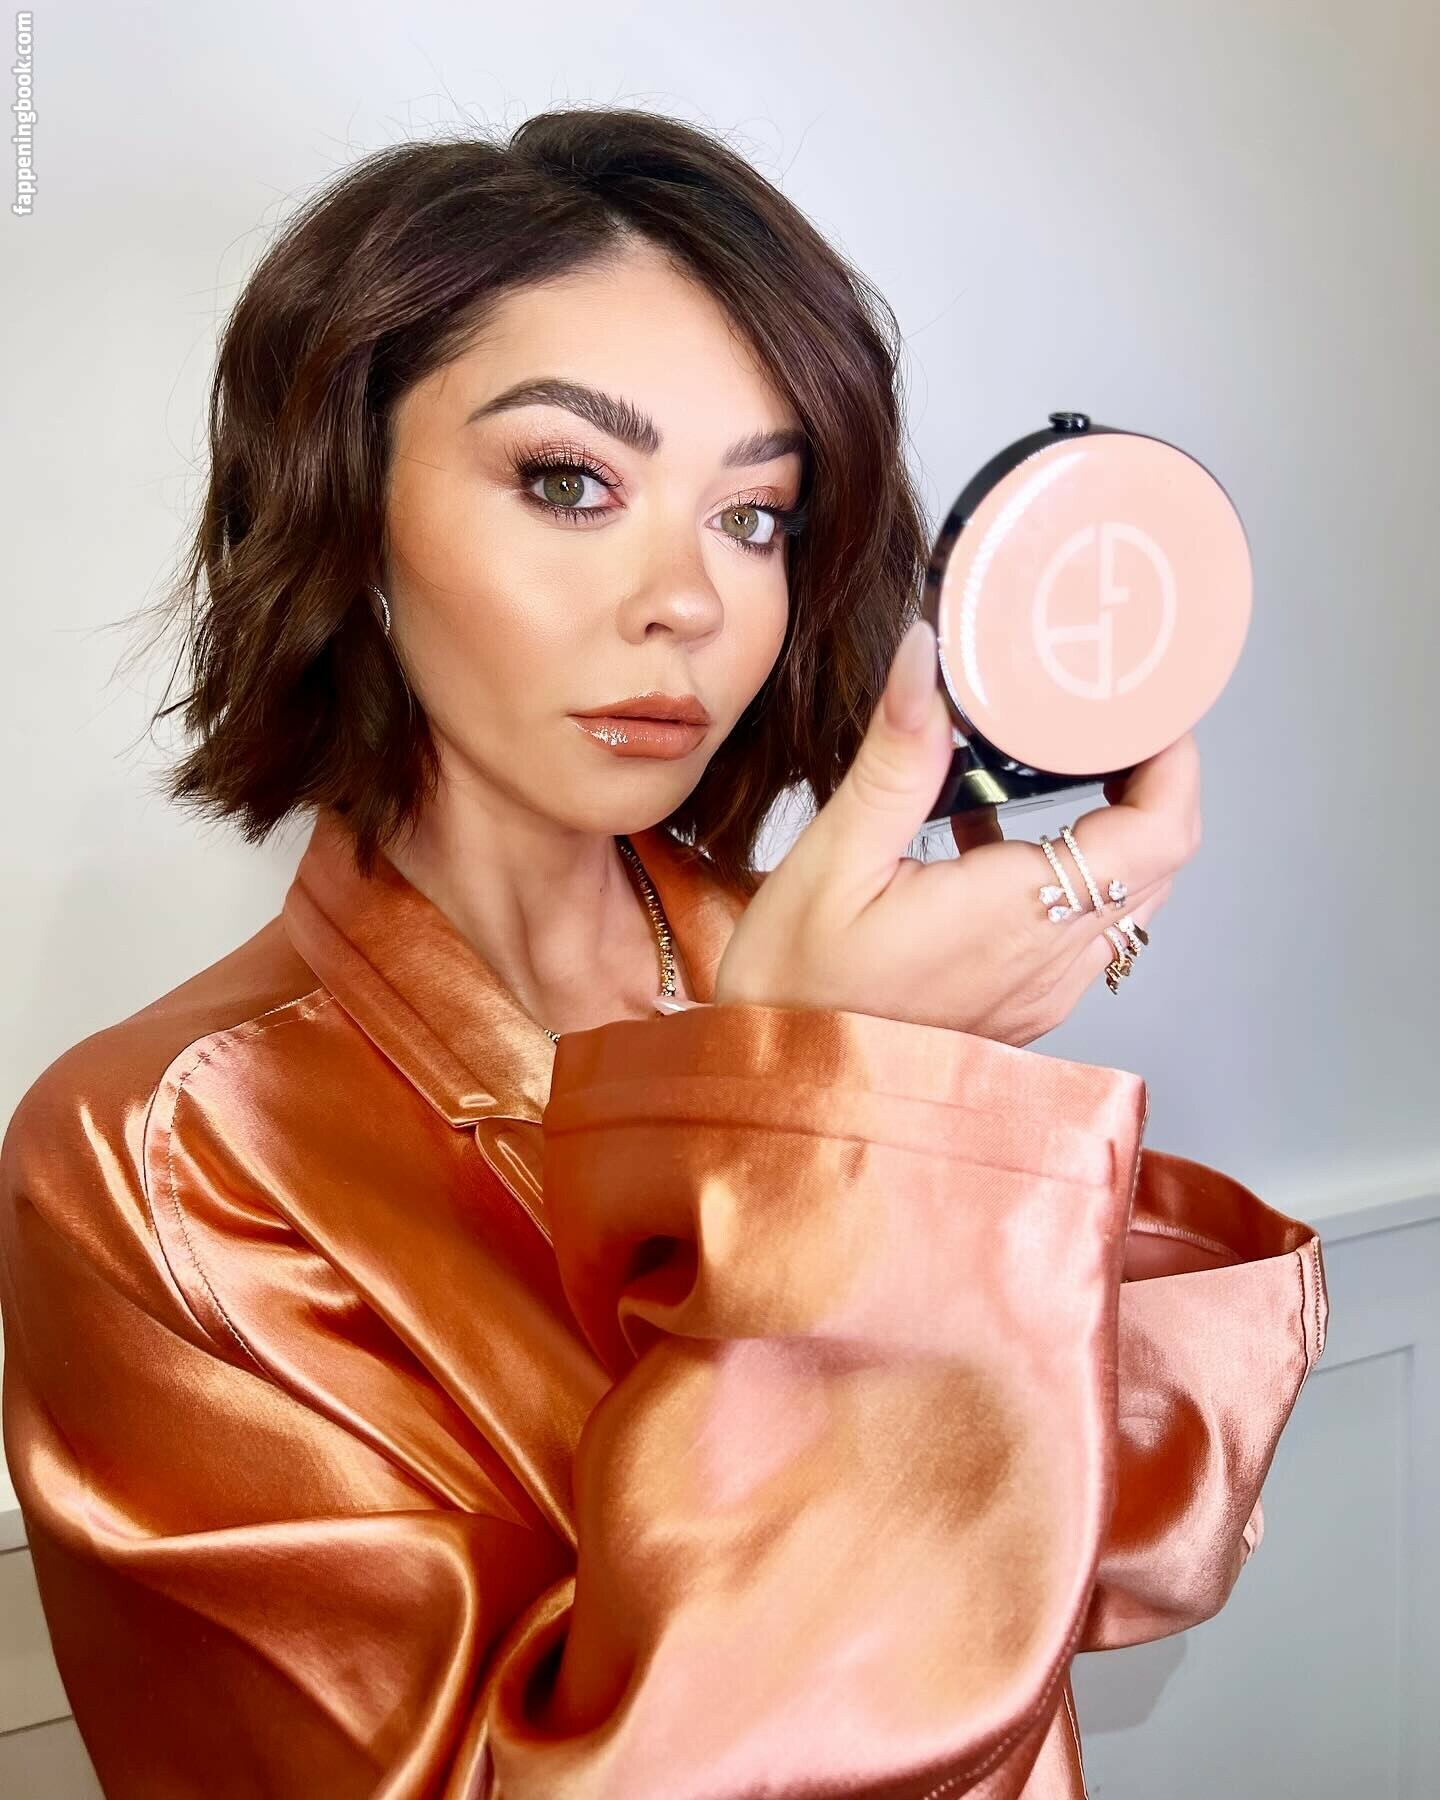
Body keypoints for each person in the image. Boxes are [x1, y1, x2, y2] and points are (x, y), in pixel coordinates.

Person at [0, 108, 1328, 1799]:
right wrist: (830, 1129)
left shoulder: (811, 964)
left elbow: (1134, 1541)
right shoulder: (158, 1157)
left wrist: (902, 1094)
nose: (688, 600)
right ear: (347, 514)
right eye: (570, 482)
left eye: (755, 516)